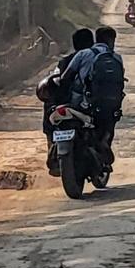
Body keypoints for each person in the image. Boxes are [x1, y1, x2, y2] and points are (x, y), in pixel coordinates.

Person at [63, 26, 125, 165]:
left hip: (82, 102)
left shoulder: (83, 54)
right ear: (111, 40)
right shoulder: (117, 57)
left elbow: (66, 76)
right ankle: (104, 141)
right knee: (110, 121)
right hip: (109, 104)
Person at [41, 28, 95, 176]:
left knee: (49, 112)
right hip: (84, 106)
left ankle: (51, 146)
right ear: (92, 43)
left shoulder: (64, 62)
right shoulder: (96, 59)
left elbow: (57, 81)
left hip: (65, 106)